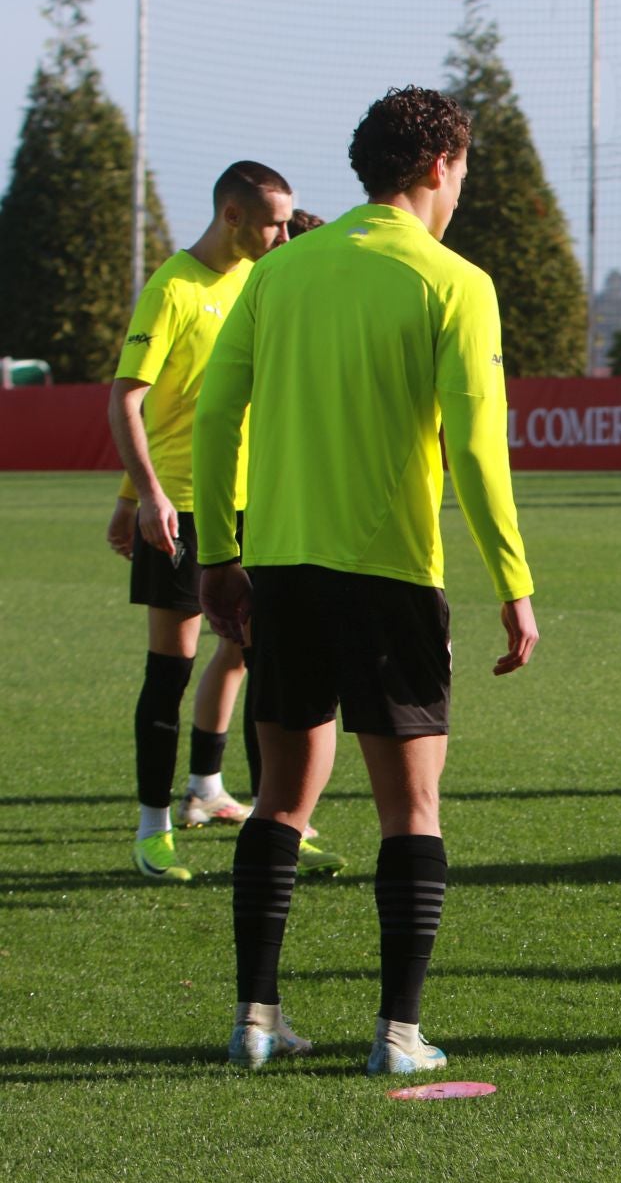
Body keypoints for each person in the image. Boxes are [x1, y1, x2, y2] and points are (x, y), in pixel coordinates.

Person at [194, 86, 538, 1074]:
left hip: (286, 576)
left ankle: (254, 1021)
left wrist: (221, 552)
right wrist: (513, 580)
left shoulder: (282, 269)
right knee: (410, 813)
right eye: (464, 168)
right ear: (442, 164)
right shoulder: (455, 282)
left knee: (280, 805)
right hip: (392, 578)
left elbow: (219, 417)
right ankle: (398, 1033)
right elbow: (478, 445)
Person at [106, 161, 346, 882]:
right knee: (170, 669)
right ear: (233, 216)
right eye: (273, 222)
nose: (284, 235)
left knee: (261, 660)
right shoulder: (173, 287)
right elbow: (129, 400)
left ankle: (264, 817)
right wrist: (142, 495)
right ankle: (152, 832)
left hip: (258, 505)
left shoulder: (262, 279)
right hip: (179, 505)